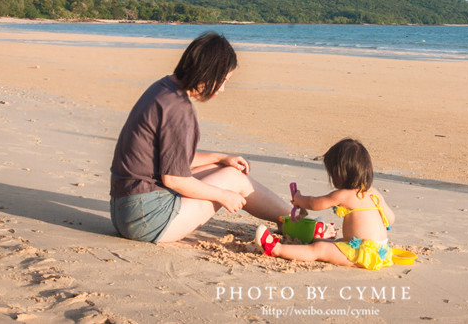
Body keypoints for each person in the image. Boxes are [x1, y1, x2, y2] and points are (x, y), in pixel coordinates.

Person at [110, 31, 291, 243]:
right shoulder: (179, 109)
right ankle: (295, 221)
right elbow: (174, 179)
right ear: (207, 73)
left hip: (126, 209)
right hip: (147, 219)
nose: (222, 89)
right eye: (223, 80)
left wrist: (219, 158)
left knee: (225, 170)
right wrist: (223, 195)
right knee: (233, 179)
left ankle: (288, 219)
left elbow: (168, 160)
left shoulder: (163, 88)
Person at [255, 138, 396, 270]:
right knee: (336, 243)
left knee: (319, 248)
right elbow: (389, 219)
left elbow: (315, 203)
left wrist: (299, 199)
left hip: (360, 255)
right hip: (381, 252)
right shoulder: (374, 193)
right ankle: (317, 236)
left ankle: (275, 248)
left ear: (338, 174)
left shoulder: (344, 195)